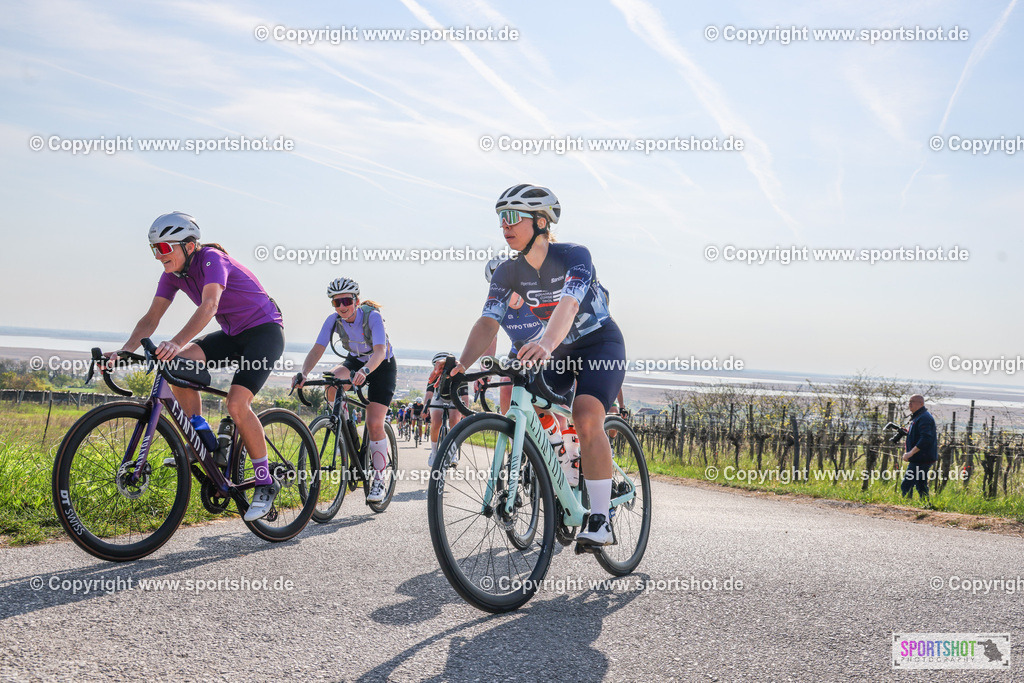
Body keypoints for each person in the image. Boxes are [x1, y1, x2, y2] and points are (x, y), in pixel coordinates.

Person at [443, 184, 625, 547]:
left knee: (586, 414)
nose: (504, 225)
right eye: (500, 218)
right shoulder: (507, 272)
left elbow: (569, 305)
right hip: (557, 349)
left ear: (541, 221)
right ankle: (562, 465)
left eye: (512, 217)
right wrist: (460, 366)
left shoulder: (574, 255)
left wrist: (544, 343)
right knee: (530, 404)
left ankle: (601, 519)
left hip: (598, 344)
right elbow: (488, 323)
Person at [110, 212, 285, 521]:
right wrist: (125, 351)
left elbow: (210, 305)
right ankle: (203, 441)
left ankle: (264, 481)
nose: (158, 255)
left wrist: (176, 342)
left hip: (263, 332)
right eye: (154, 249)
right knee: (177, 366)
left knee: (236, 404)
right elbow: (151, 318)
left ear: (189, 246)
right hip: (232, 334)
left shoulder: (212, 259)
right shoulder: (172, 275)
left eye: (164, 248)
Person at [293, 278, 396, 503]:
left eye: (347, 301)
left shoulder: (372, 316)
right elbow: (318, 348)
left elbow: (379, 351)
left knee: (374, 423)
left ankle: (379, 479)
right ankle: (344, 429)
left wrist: (366, 371)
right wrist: (304, 373)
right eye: (336, 302)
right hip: (356, 361)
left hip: (381, 365)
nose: (342, 306)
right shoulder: (333, 320)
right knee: (331, 383)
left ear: (356, 301)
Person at [424, 352, 470, 465]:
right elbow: (429, 394)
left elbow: (464, 396)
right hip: (438, 398)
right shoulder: (435, 374)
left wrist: (465, 412)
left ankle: (453, 453)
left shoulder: (460, 374)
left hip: (454, 398)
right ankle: (434, 452)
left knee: (454, 421)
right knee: (436, 422)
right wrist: (425, 408)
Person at [901, 394, 938, 500]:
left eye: (912, 402)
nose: (910, 404)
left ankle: (907, 505)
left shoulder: (924, 417)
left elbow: (925, 438)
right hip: (921, 457)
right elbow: (919, 435)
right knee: (921, 484)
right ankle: (925, 504)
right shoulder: (918, 416)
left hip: (921, 458)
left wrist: (910, 453)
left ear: (921, 403)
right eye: (909, 402)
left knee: (907, 484)